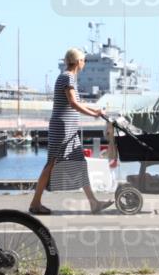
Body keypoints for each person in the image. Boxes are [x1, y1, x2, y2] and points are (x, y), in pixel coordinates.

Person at [29, 47, 113, 215]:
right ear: (78, 62)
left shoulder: (68, 77)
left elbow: (75, 103)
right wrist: (93, 114)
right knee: (51, 164)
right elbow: (73, 103)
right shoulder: (68, 77)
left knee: (80, 164)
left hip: (69, 130)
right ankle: (35, 203)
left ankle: (93, 203)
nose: (84, 63)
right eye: (84, 60)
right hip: (62, 129)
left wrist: (95, 111)